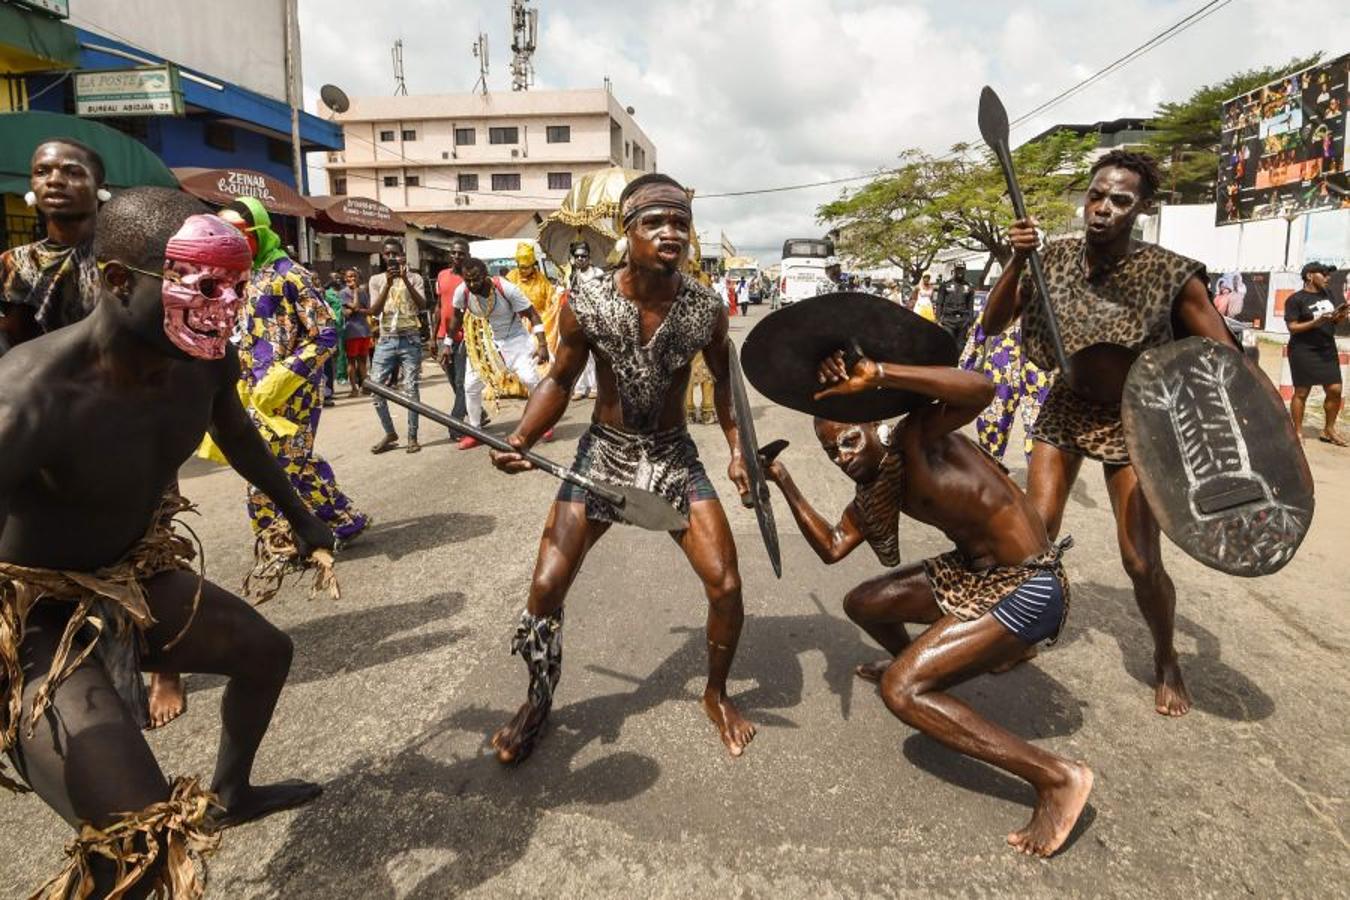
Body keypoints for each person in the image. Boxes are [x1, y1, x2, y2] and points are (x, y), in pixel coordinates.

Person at [0, 190, 330, 897]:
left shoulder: (203, 359)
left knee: (268, 653)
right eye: (207, 284)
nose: (228, 305)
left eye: (238, 286)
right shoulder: (29, 398)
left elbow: (237, 433)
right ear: (119, 281)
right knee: (141, 844)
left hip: (128, 574)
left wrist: (301, 518)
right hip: (37, 618)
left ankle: (233, 793)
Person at [767, 350, 1090, 858]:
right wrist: (781, 479)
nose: (844, 457)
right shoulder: (877, 486)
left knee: (902, 691)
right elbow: (832, 546)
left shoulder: (919, 437)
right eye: (833, 454)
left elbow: (982, 390)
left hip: (1032, 586)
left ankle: (1056, 778)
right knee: (864, 602)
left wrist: (882, 374)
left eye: (849, 441)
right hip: (975, 576)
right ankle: (934, 660)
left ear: (873, 426)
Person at [487, 173, 757, 763]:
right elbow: (559, 380)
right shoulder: (586, 302)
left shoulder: (705, 309)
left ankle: (715, 694)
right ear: (625, 232)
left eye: (680, 223)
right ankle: (538, 698)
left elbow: (729, 393)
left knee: (727, 585)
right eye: (655, 223)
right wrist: (523, 435)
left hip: (671, 457)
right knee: (545, 587)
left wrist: (740, 453)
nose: (671, 233)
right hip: (602, 454)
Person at [981, 149, 1239, 717]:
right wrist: (1016, 262)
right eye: (1096, 195)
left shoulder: (1173, 273)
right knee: (1031, 538)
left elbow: (1224, 357)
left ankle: (1167, 657)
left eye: (1119, 200)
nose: (1102, 209)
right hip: (1066, 408)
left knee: (1140, 561)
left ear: (1143, 208)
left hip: (1133, 418)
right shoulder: (1052, 260)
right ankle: (1022, 634)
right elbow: (992, 324)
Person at [216, 197, 369, 549]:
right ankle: (339, 521)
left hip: (294, 391)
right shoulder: (239, 279)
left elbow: (326, 334)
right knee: (283, 462)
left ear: (257, 233)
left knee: (276, 464)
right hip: (253, 391)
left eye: (236, 234)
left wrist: (285, 375)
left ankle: (278, 541)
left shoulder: (292, 276)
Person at [0, 139, 110, 354]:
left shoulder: (125, 256)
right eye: (42, 172)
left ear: (101, 189)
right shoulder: (14, 263)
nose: (54, 181)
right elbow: (12, 339)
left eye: (73, 172)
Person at [448, 258, 551, 450]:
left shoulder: (506, 288)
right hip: (483, 343)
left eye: (476, 279)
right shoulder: (462, 292)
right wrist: (447, 343)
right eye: (468, 280)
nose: (472, 284)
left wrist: (543, 344)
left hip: (515, 340)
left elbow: (533, 314)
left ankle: (543, 423)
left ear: (485, 275)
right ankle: (475, 430)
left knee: (529, 379)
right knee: (470, 386)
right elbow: (456, 318)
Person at [368, 239, 430, 453]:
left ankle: (412, 436)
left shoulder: (415, 277)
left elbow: (423, 305)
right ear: (382, 257)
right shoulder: (376, 280)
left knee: (410, 389)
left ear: (403, 255)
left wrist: (405, 280)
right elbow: (374, 311)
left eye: (395, 254)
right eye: (388, 254)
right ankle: (390, 433)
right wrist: (388, 283)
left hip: (410, 339)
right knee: (375, 389)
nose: (392, 258)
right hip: (386, 340)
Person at [1284, 261, 1347, 445]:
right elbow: (1292, 327)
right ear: (1310, 276)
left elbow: (1332, 321)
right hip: (1303, 350)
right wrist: (1315, 323)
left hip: (1326, 348)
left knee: (1335, 389)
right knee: (1302, 392)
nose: (1328, 278)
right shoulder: (1296, 299)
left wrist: (1339, 316)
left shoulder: (1328, 294)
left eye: (1329, 275)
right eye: (1324, 274)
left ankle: (1329, 430)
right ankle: (1297, 431)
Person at [435, 237, 472, 430]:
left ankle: (456, 424)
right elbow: (439, 307)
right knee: (452, 379)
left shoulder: (471, 277)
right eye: (454, 252)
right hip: (443, 337)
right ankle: (478, 412)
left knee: (461, 381)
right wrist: (434, 338)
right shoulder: (441, 275)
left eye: (461, 253)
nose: (457, 256)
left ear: (468, 256)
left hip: (465, 337)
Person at [506, 242, 558, 362]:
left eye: (526, 267)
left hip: (538, 323)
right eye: (520, 266)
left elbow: (551, 298)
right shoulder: (511, 277)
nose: (522, 270)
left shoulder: (541, 280)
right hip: (516, 324)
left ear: (533, 265)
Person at [567, 240, 601, 400]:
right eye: (577, 256)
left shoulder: (598, 273)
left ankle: (595, 387)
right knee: (578, 355)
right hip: (578, 319)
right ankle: (580, 388)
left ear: (589, 257)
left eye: (583, 256)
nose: (580, 259)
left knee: (595, 356)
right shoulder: (572, 275)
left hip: (596, 318)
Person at [341, 267, 372, 398]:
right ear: (345, 278)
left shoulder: (363, 292)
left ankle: (365, 387)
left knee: (363, 361)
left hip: (364, 331)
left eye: (354, 276)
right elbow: (353, 308)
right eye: (349, 276)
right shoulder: (343, 293)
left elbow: (364, 309)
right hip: (352, 332)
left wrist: (354, 308)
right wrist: (354, 294)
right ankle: (354, 388)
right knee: (351, 361)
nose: (352, 279)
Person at [934, 262, 976, 344]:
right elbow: (939, 304)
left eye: (962, 269)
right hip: (948, 321)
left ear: (965, 271)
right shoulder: (945, 285)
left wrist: (971, 324)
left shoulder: (969, 287)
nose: (960, 272)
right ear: (954, 270)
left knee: (960, 347)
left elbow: (970, 307)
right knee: (949, 344)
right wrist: (938, 320)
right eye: (958, 269)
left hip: (963, 322)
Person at [321, 271, 345, 407]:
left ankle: (328, 392)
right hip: (320, 335)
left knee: (330, 363)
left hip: (335, 329)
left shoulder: (339, 292)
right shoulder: (320, 296)